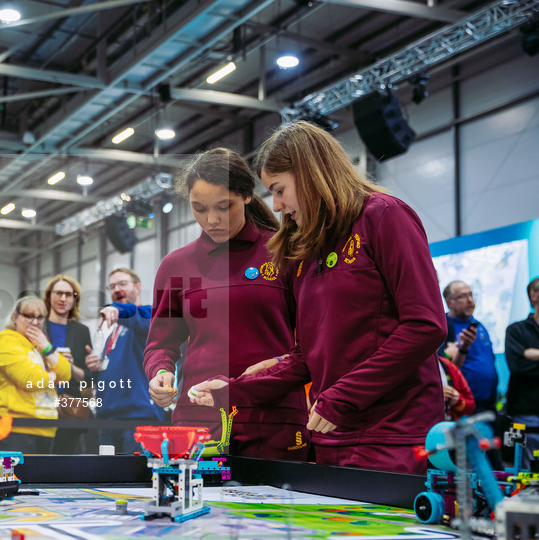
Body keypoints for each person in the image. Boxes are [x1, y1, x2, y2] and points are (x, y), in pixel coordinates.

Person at [190, 121, 446, 474]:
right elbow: (309, 356)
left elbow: (425, 325)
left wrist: (342, 397)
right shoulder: (306, 248)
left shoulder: (384, 216)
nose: (277, 205)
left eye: (279, 190)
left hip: (393, 436)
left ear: (310, 173)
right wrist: (232, 391)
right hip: (331, 438)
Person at [144, 148, 308, 459]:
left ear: (246, 196)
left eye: (224, 206)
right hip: (197, 423)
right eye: (199, 209)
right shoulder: (176, 266)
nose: (212, 220)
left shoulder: (285, 251)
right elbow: (160, 343)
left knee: (277, 509)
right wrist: (160, 371)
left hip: (274, 420)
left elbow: (315, 342)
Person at [85, 268, 164, 453]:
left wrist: (116, 309)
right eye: (112, 286)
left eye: (122, 284)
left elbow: (135, 314)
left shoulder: (148, 316)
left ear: (137, 287)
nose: (117, 289)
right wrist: (94, 366)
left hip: (139, 416)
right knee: (107, 479)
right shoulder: (110, 330)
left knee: (135, 479)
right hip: (108, 417)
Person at [0, 296, 71, 453]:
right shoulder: (6, 342)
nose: (35, 322)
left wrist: (46, 347)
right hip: (15, 429)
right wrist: (53, 376)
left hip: (46, 428)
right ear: (15, 317)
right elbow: (31, 380)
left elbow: (66, 374)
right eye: (28, 315)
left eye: (40, 317)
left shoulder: (39, 346)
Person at [43, 274, 93, 454]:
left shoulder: (81, 332)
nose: (63, 298)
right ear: (49, 296)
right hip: (39, 404)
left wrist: (69, 367)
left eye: (69, 294)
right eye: (58, 293)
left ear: (74, 299)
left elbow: (88, 378)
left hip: (69, 407)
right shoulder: (37, 326)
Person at [444, 280, 499, 414]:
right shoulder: (444, 328)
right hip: (462, 405)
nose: (470, 300)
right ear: (449, 303)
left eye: (471, 295)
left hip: (488, 402)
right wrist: (464, 347)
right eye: (463, 296)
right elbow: (448, 368)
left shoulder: (478, 325)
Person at [505, 277, 539, 468]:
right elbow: (518, 366)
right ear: (533, 296)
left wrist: (535, 354)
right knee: (528, 476)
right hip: (527, 412)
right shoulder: (516, 330)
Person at [437, 355, 475, 421]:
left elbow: (470, 406)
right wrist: (435, 395)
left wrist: (458, 401)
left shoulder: (447, 365)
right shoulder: (415, 366)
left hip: (448, 423)